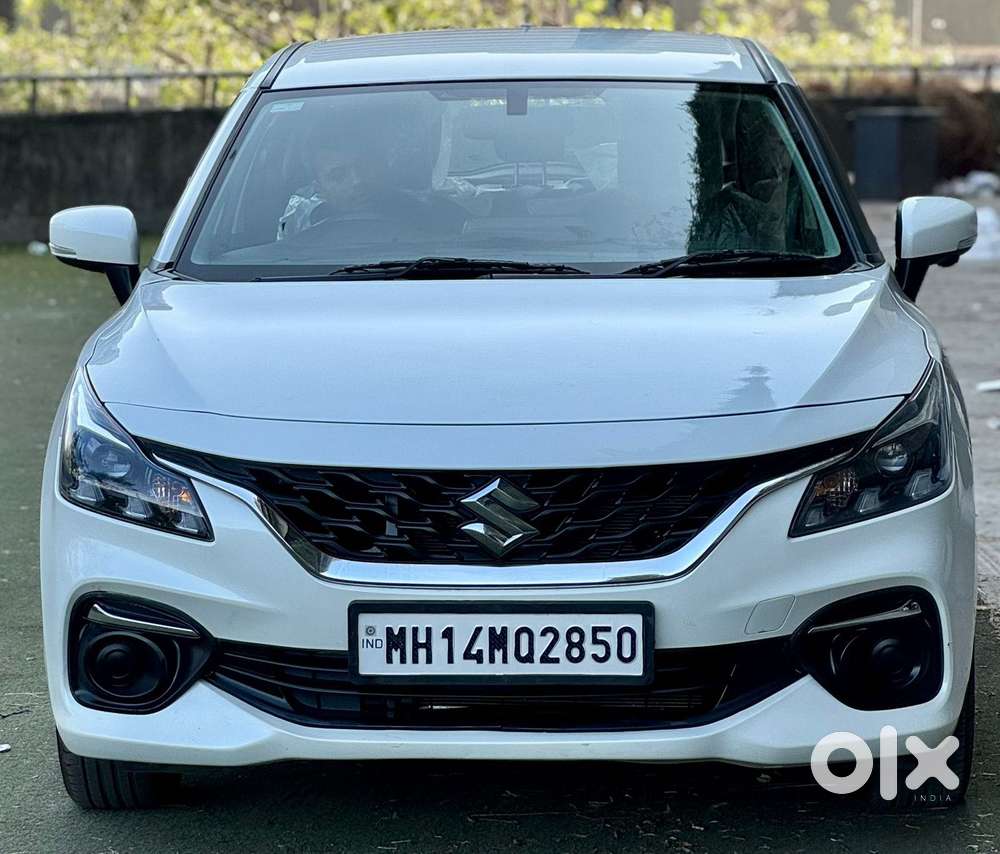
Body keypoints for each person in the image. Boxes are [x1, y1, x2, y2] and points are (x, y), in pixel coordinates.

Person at [276, 141, 365, 241]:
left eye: (363, 167)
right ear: (319, 188)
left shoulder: (386, 202)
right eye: (338, 175)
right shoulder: (300, 219)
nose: (357, 181)